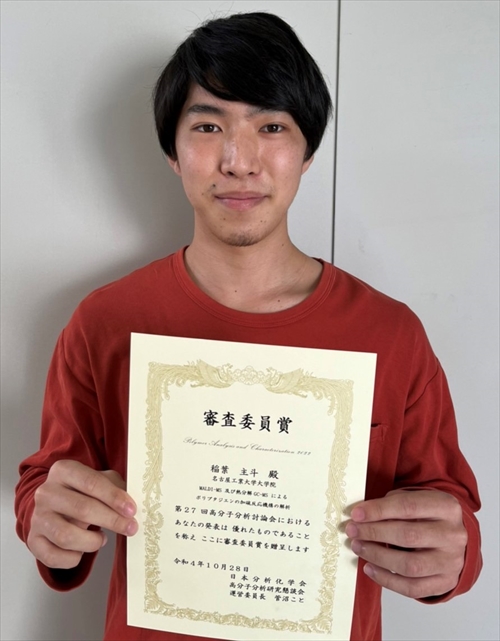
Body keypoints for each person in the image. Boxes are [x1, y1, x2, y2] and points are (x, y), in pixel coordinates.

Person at [15, 11, 481, 641]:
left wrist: (453, 556)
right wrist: (46, 521)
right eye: (208, 126)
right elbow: (45, 485)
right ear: (173, 152)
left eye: (272, 126)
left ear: (307, 152)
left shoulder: (390, 334)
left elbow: (450, 511)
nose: (239, 161)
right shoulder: (106, 321)